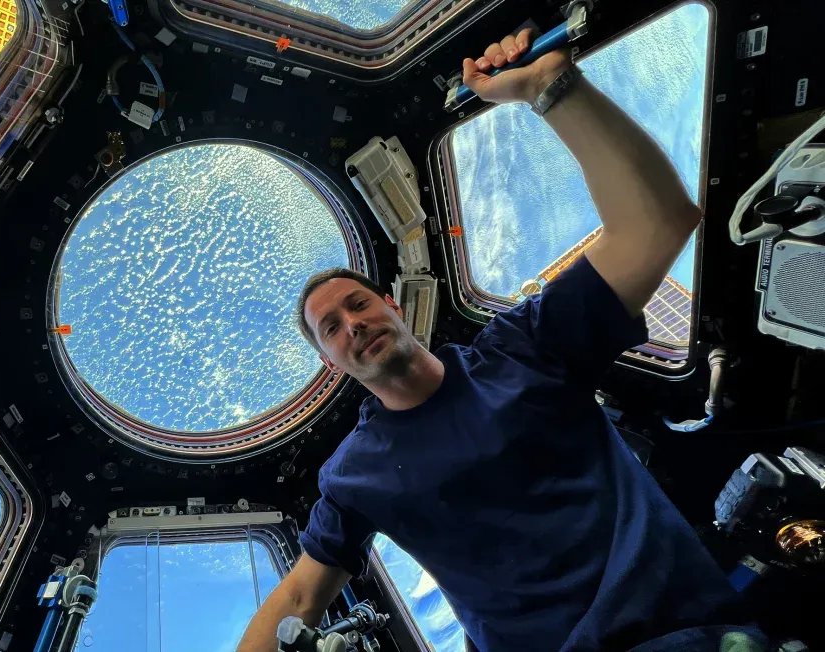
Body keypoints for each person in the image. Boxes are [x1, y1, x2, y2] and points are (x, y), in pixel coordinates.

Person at [236, 29, 759, 652]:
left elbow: (659, 221)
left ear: (396, 308)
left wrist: (552, 87)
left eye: (358, 304)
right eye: (331, 328)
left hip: (686, 634)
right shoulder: (353, 474)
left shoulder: (522, 347)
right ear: (330, 361)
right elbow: (299, 597)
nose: (352, 324)